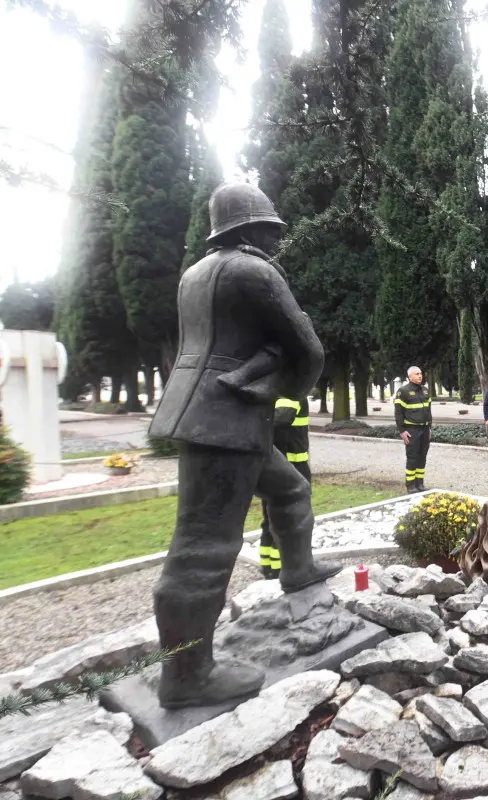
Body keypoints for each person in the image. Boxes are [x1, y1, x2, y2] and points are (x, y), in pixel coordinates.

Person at [148, 181, 339, 708]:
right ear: (250, 229)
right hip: (228, 420)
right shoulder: (254, 271)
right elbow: (308, 348)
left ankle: (297, 571)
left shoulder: (193, 274)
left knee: (291, 491)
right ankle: (185, 675)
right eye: (269, 230)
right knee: (204, 546)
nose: (275, 240)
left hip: (205, 410)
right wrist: (287, 390)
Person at [259, 394, 311, 578]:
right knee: (289, 519)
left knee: (270, 518)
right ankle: (281, 568)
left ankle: (268, 565)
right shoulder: (292, 394)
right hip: (292, 467)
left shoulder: (271, 395)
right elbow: (279, 422)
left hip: (274, 465)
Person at [394, 365, 432, 492]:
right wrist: (402, 431)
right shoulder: (403, 391)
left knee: (422, 457)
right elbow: (398, 413)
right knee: (412, 458)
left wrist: (429, 428)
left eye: (420, 373)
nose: (420, 376)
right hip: (412, 430)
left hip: (425, 429)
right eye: (417, 374)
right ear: (410, 377)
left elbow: (429, 411)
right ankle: (410, 485)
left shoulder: (425, 390)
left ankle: (420, 484)